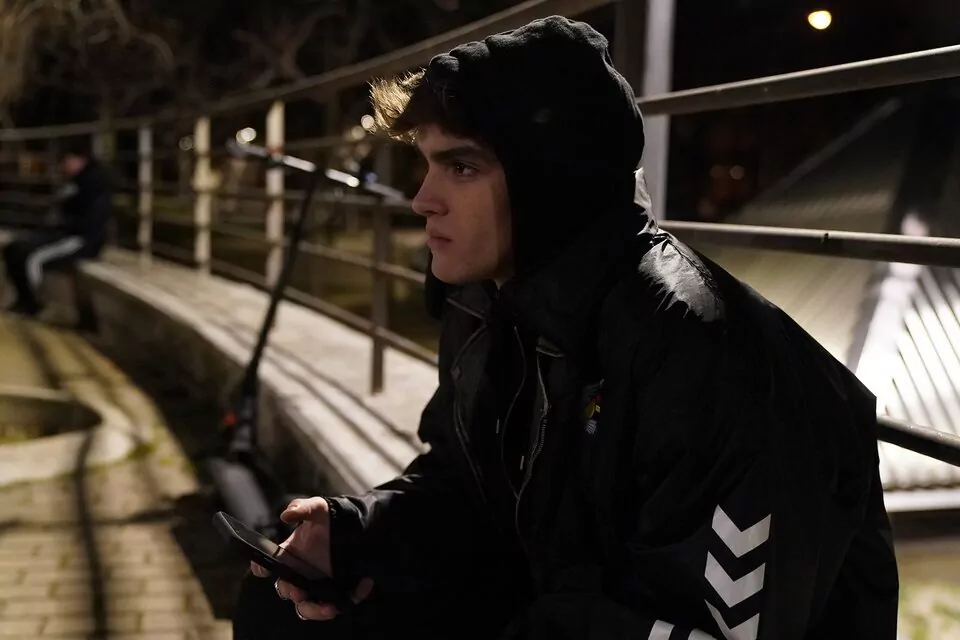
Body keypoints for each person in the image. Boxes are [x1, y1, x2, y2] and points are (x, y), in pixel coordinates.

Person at [233, 15, 899, 640]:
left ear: (550, 181)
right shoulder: (491, 302)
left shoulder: (714, 363)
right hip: (557, 610)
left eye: (461, 167)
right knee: (283, 610)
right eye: (427, 164)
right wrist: (356, 534)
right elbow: (468, 489)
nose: (422, 200)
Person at [2, 144, 111, 317]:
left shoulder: (94, 185)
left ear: (79, 160)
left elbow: (90, 222)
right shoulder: (73, 183)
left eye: (65, 161)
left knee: (32, 257)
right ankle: (23, 299)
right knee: (13, 249)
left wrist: (63, 224)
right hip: (62, 234)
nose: (63, 166)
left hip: (81, 240)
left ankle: (33, 302)